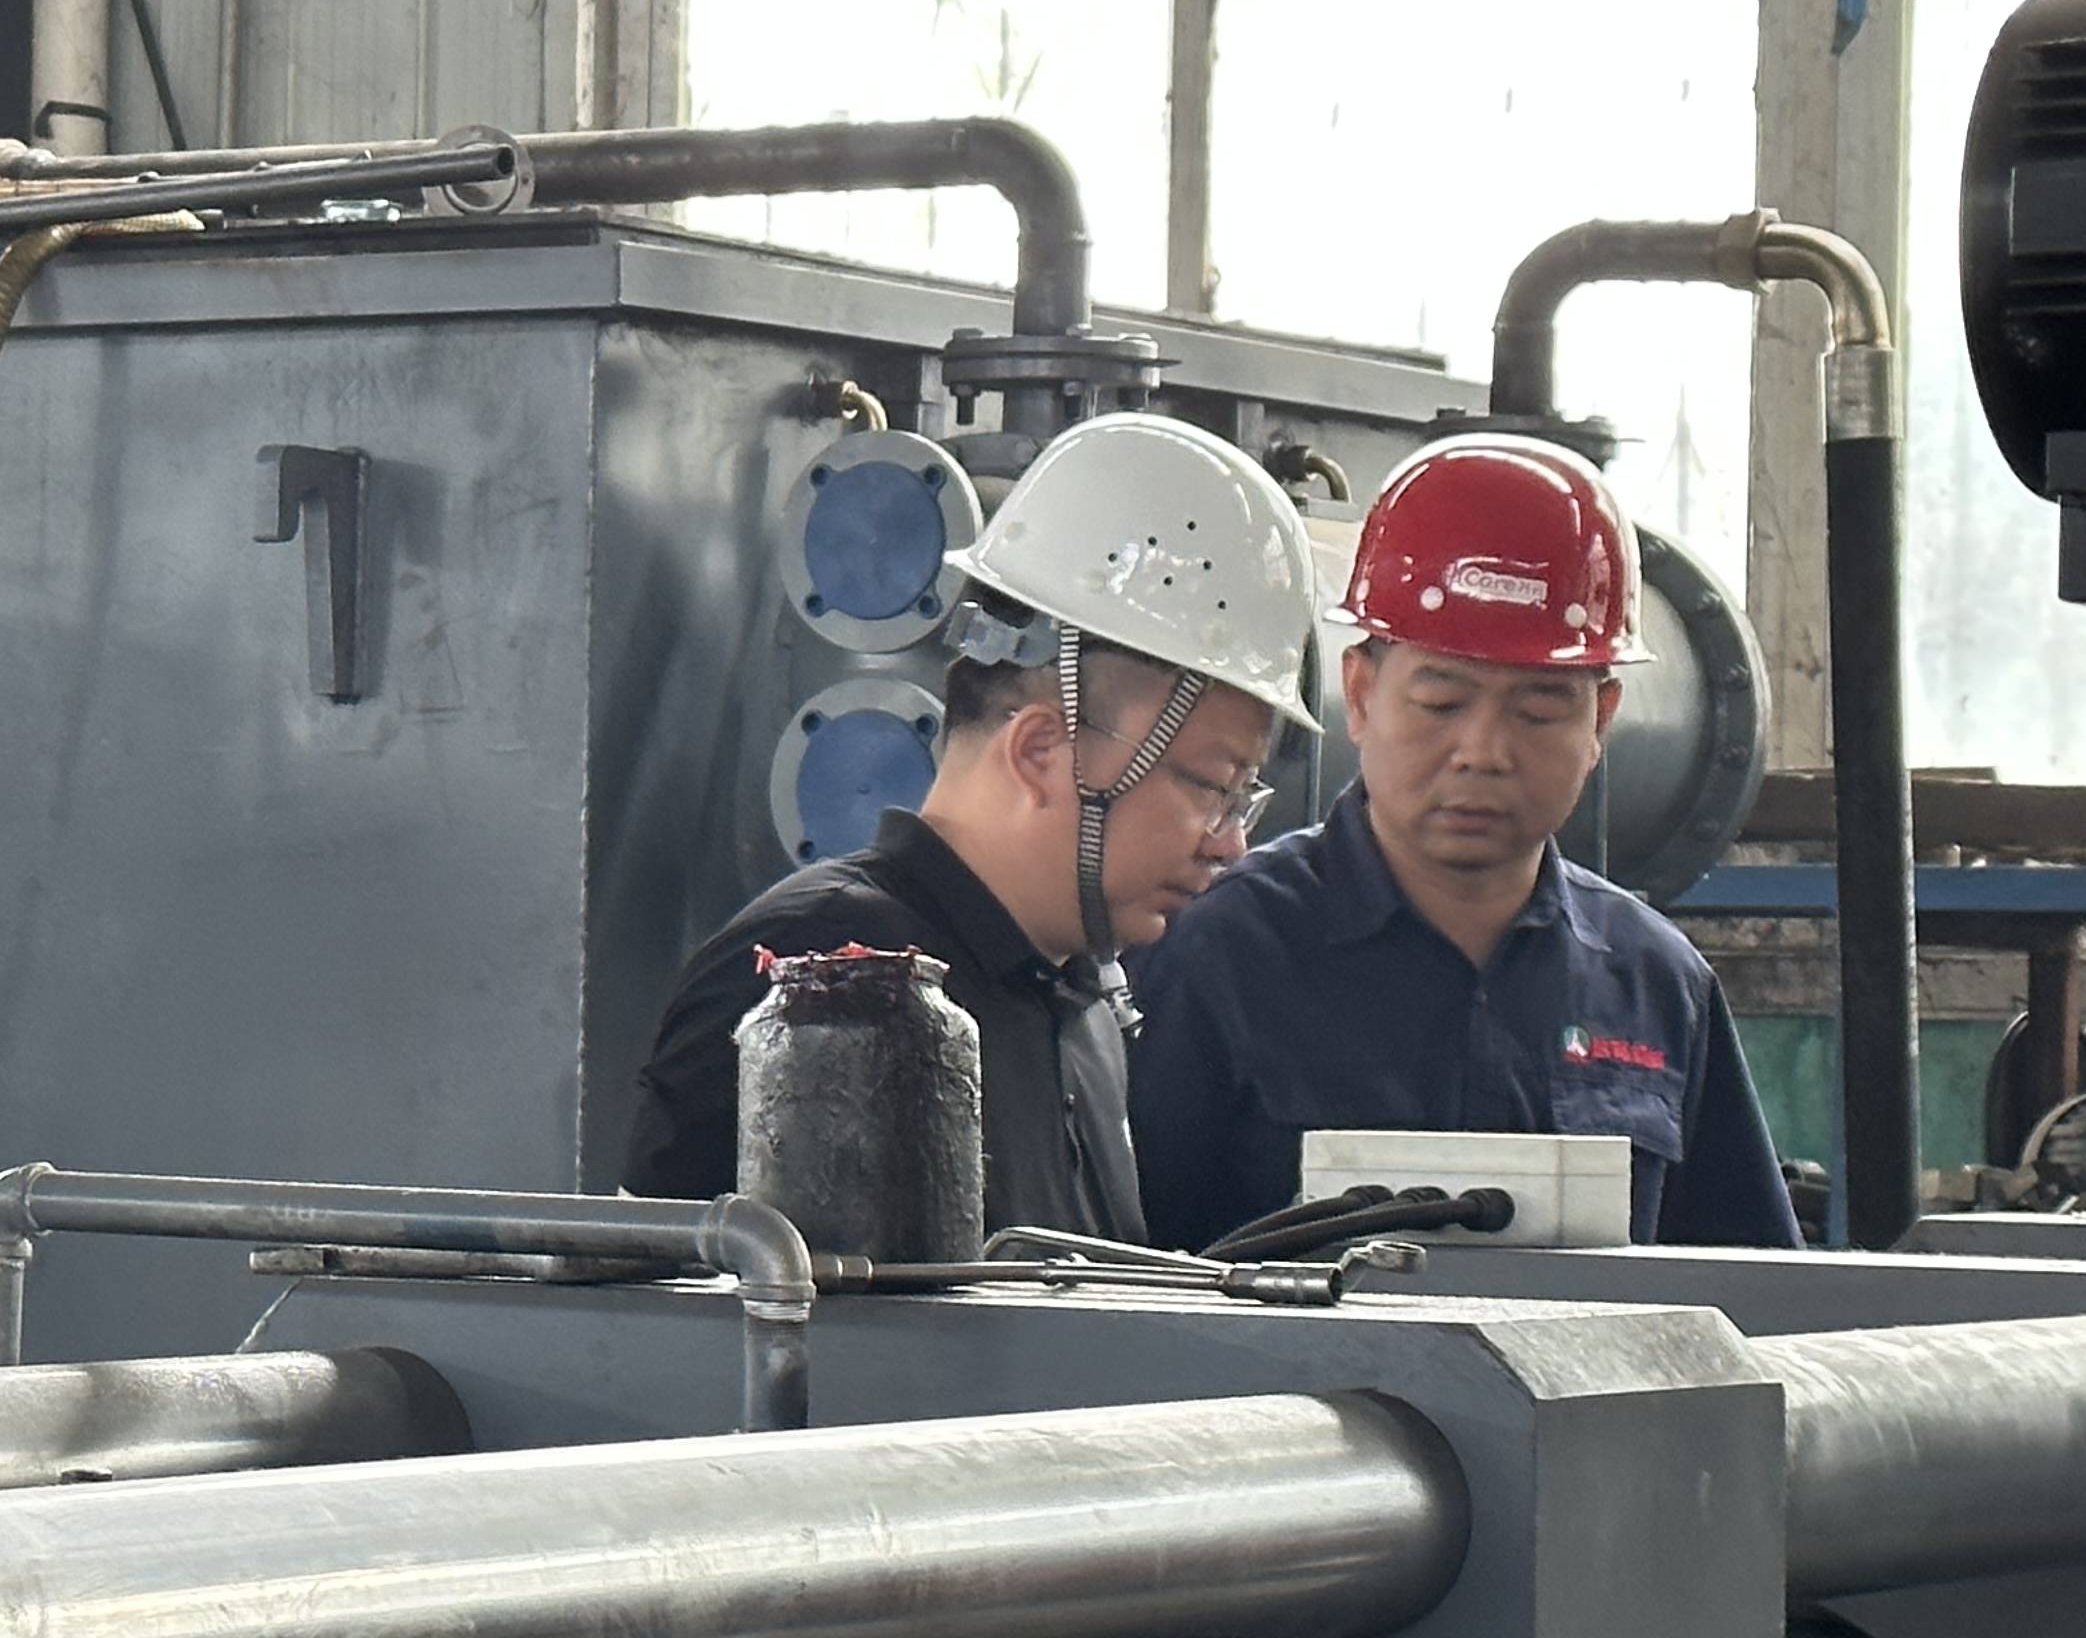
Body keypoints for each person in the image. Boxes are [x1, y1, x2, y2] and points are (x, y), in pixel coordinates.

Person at [622, 410, 1322, 1241]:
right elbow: (679, 1312)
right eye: (1211, 786)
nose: (1230, 842)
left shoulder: (1077, 1006)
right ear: (1038, 750)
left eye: (1244, 799)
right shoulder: (831, 978)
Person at [1128, 432, 1799, 1250]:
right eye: (1442, 703)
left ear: (1601, 721)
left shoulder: (1654, 983)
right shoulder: (1216, 955)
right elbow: (1120, 1273)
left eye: (1539, 711)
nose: (1483, 751)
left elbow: (1744, 1284)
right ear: (1360, 694)